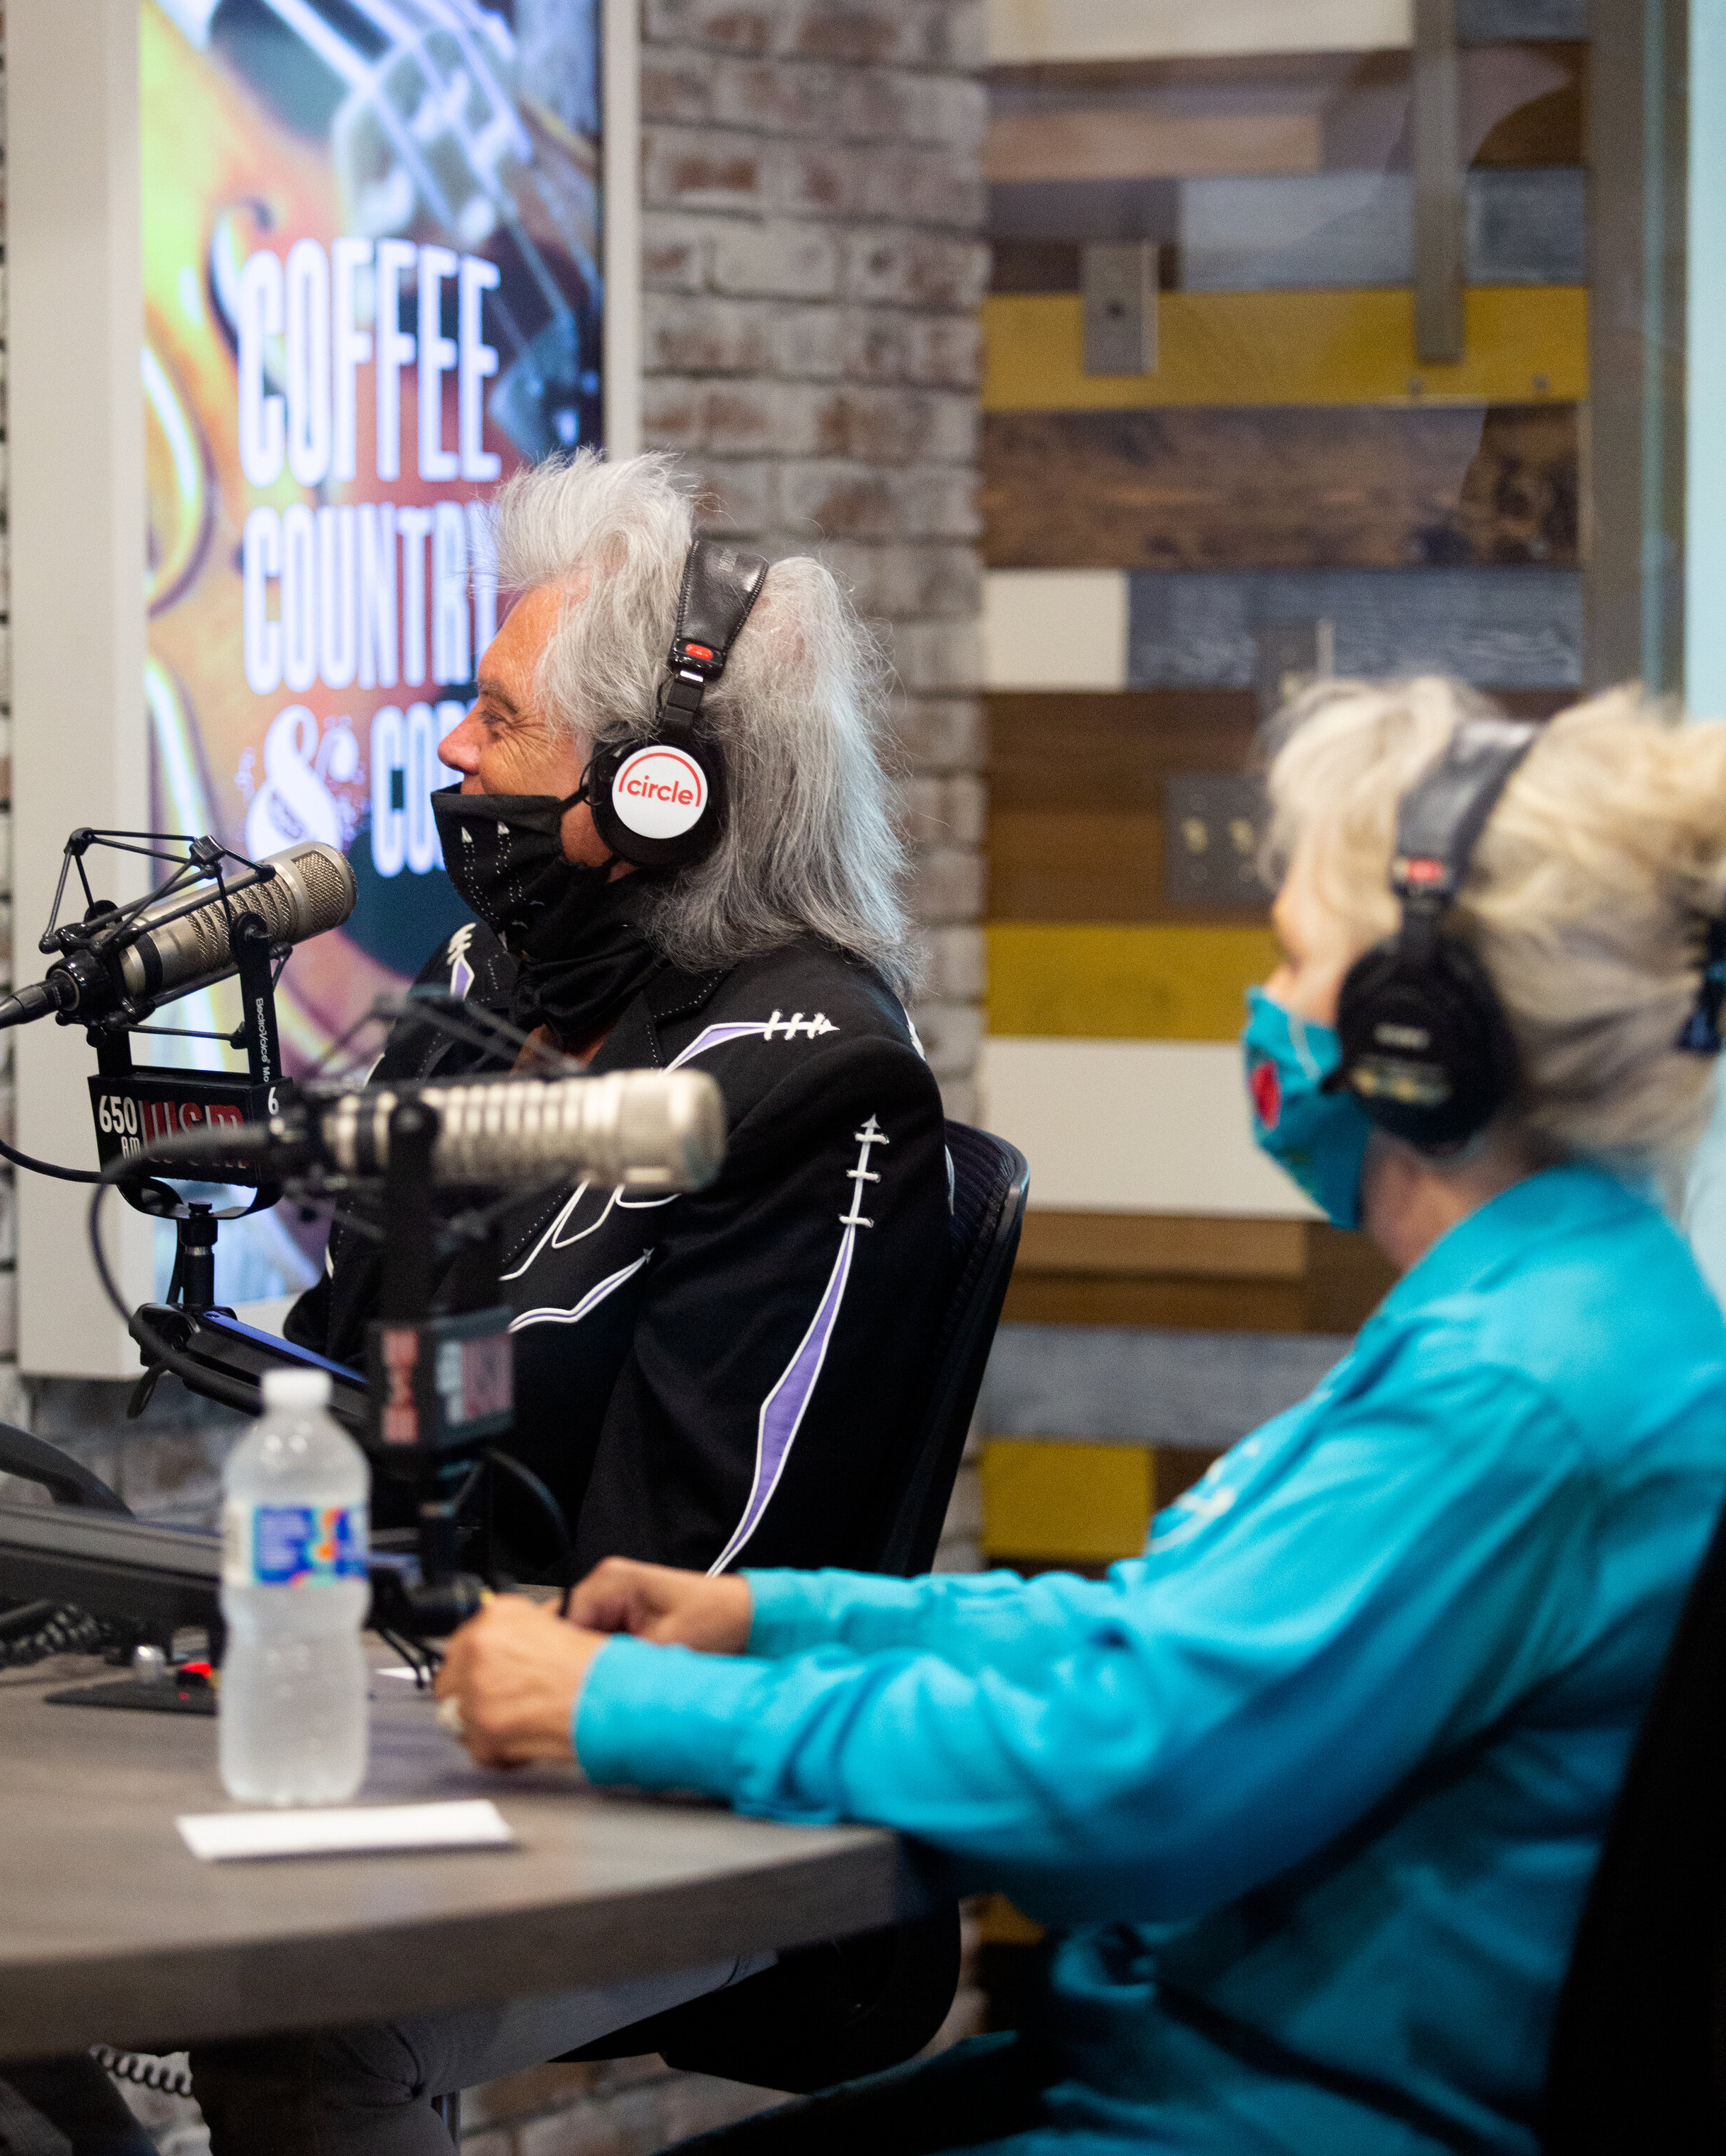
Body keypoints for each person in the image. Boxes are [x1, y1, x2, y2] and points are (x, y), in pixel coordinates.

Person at [431, 675, 1726, 2156]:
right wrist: (784, 1619)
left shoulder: (1514, 1387)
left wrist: (615, 1706)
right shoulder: (1565, 1307)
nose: (1263, 1006)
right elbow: (1161, 1638)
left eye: (1293, 958)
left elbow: (1134, 1765)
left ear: (1418, 1030)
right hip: (1188, 2072)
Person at [285, 449, 950, 1579]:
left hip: (598, 1729)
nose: (456, 749)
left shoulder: (818, 1084)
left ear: (659, 797)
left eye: (502, 718)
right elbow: (344, 1367)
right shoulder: (481, 984)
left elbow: (697, 1575)